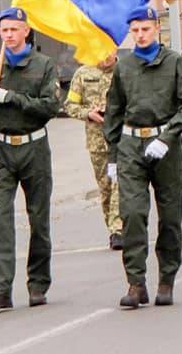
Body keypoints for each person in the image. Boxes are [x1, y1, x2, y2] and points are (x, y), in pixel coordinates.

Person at [104, 6, 182, 308]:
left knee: (170, 218)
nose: (140, 35)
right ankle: (135, 283)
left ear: (156, 28)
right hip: (132, 145)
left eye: (145, 29)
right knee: (132, 214)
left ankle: (167, 280)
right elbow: (114, 112)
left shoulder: (173, 62)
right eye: (135, 30)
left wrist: (168, 137)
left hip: (164, 147)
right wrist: (113, 156)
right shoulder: (124, 65)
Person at [0, 7, 60, 310]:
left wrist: (10, 97)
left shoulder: (44, 65)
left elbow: (49, 107)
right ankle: (0, 289)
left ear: (26, 31)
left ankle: (37, 284)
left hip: (34, 147)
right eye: (4, 30)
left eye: (13, 29)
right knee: (1, 220)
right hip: (3, 150)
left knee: (38, 218)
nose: (8, 35)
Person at [64, 51, 123, 250]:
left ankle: (119, 229)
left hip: (124, 140)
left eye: (108, 50)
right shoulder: (83, 73)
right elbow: (70, 105)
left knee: (121, 183)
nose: (104, 56)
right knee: (106, 188)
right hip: (97, 142)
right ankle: (112, 228)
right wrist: (88, 113)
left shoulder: (126, 71)